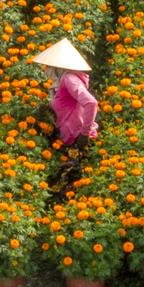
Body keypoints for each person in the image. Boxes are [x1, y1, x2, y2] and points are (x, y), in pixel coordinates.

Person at [35, 38, 98, 182]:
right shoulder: (63, 80)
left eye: (48, 66)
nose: (46, 69)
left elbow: (91, 103)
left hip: (78, 141)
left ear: (57, 66)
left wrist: (84, 134)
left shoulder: (69, 79)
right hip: (70, 141)